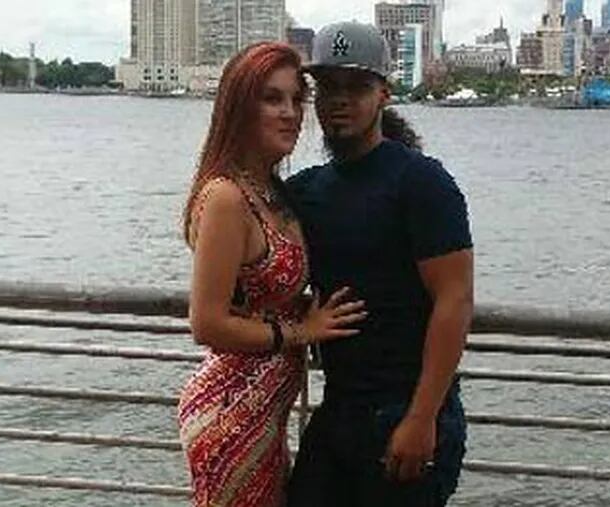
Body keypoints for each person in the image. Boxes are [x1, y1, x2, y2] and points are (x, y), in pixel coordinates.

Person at [286, 22, 474, 507]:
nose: (339, 100)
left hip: (405, 410)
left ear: (384, 94)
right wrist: (300, 320)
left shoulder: (421, 182)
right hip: (338, 410)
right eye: (328, 87)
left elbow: (454, 300)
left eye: (357, 87)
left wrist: (421, 418)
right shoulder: (306, 190)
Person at [177, 42, 368, 507]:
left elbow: (260, 295)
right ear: (239, 107)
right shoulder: (227, 197)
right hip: (231, 411)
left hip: (266, 414)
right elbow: (207, 324)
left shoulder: (272, 192)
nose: (290, 113)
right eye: (271, 98)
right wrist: (303, 331)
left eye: (297, 100)